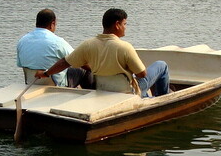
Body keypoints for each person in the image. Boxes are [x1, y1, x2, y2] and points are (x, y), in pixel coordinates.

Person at [36, 8, 169, 98]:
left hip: (103, 88)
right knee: (161, 65)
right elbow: (142, 74)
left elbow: (65, 62)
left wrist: (46, 73)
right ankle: (162, 100)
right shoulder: (125, 47)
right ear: (117, 24)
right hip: (127, 91)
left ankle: (148, 96)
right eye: (125, 24)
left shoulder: (88, 44)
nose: (125, 28)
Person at [16, 9, 93, 88]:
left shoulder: (22, 41)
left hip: (32, 83)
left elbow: (21, 64)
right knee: (84, 70)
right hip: (55, 84)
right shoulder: (57, 42)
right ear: (52, 24)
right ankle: (92, 97)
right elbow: (78, 60)